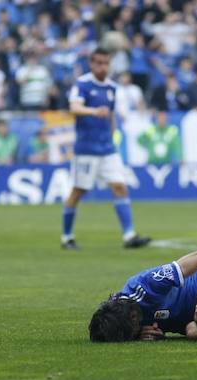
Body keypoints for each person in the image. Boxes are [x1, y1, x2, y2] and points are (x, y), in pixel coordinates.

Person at [61, 48, 150, 250]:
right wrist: (93, 111)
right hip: (86, 149)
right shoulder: (83, 84)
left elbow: (109, 115)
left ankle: (129, 235)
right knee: (78, 190)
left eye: (106, 63)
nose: (103, 67)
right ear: (91, 64)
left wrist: (111, 134)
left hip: (107, 149)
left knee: (120, 186)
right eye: (99, 63)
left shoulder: (111, 87)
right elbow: (74, 108)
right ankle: (67, 237)